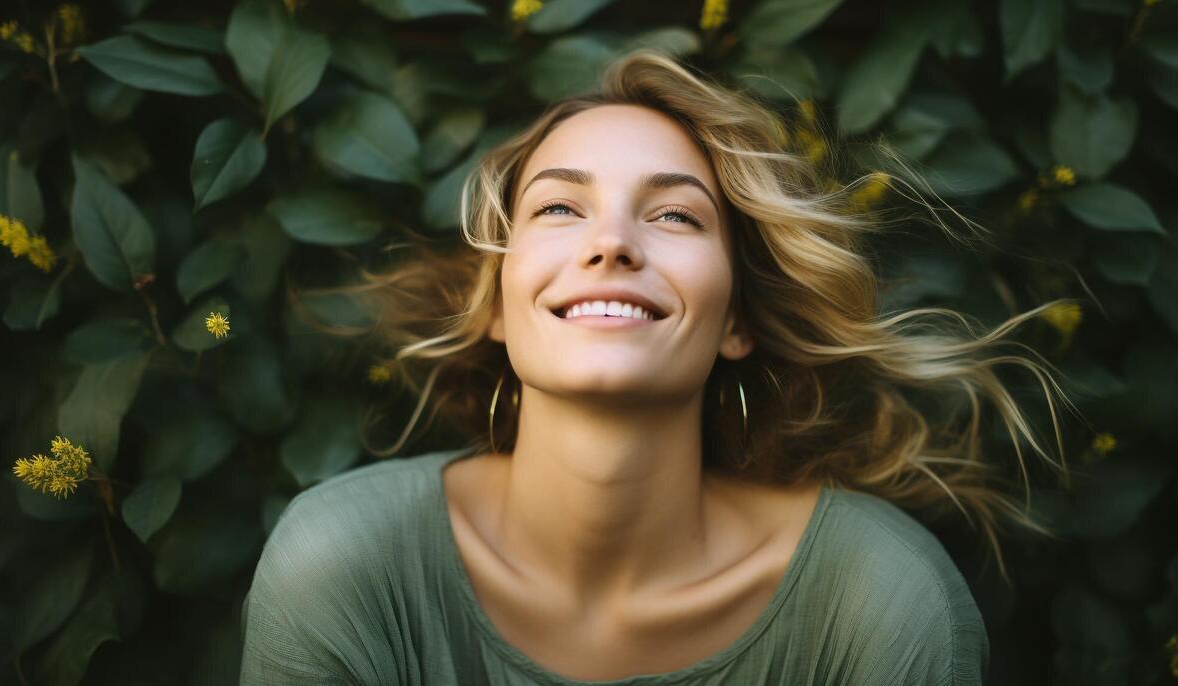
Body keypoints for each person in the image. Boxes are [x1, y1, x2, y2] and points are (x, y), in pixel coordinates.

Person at [240, 49, 1077, 684]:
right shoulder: (343, 562)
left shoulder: (880, 603)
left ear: (738, 319)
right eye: (560, 207)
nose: (611, 243)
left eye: (674, 214)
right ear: (495, 302)